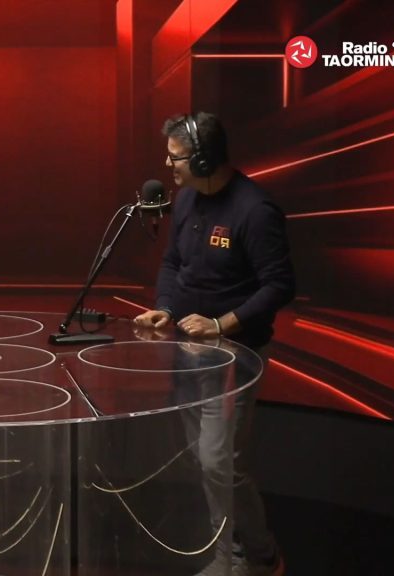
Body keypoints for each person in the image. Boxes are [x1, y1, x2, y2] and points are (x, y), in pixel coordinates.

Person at [134, 112, 294, 576]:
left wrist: (222, 325)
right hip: (187, 356)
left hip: (233, 360)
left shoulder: (254, 211)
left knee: (218, 463)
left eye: (176, 157)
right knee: (204, 461)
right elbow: (173, 263)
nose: (168, 165)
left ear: (204, 159)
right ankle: (243, 550)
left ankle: (250, 557)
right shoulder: (186, 200)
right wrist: (166, 307)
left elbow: (279, 285)